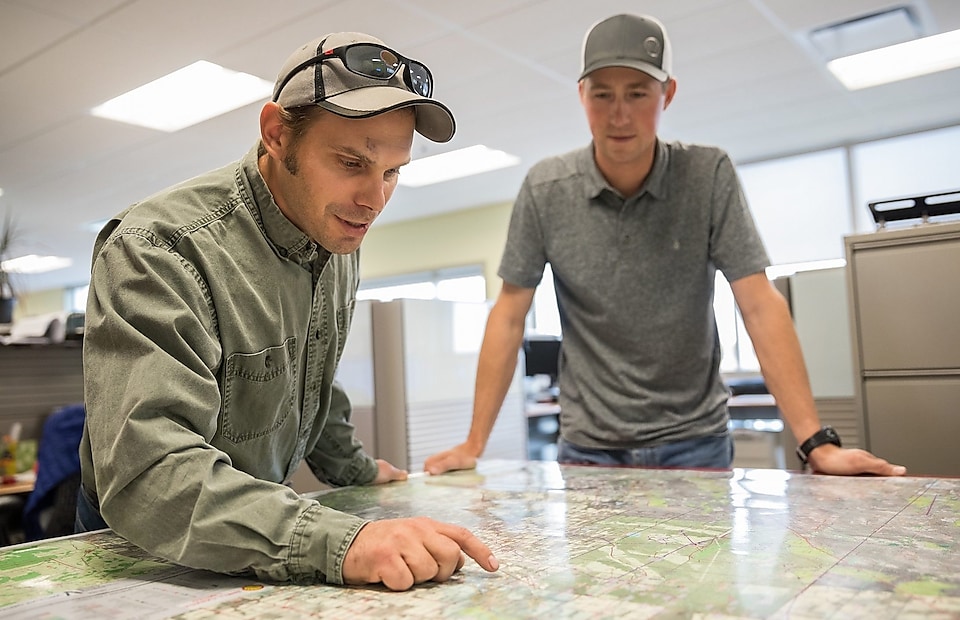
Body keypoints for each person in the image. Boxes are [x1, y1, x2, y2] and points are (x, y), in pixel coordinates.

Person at [76, 31, 499, 592]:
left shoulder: (336, 231)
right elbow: (149, 473)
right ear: (277, 134)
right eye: (352, 161)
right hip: (145, 549)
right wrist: (344, 542)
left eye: (393, 171)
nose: (374, 199)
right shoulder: (160, 249)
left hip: (257, 535)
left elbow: (308, 373)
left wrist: (356, 470)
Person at [424, 14, 906, 478]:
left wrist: (814, 441)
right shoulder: (546, 188)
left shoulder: (707, 175)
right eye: (602, 94)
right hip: (590, 447)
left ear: (667, 94)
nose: (619, 114)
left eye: (637, 93)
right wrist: (474, 444)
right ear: (581, 95)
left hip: (695, 441)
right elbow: (509, 314)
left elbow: (758, 303)